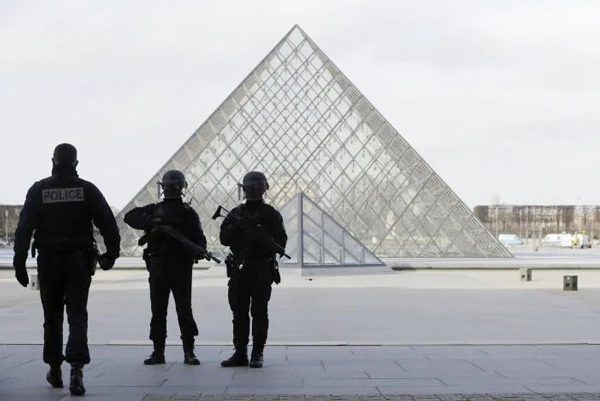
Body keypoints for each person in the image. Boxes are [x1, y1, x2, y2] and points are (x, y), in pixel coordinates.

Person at [12, 143, 121, 396]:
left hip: (48, 261)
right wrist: (111, 254)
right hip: (78, 262)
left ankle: (55, 368)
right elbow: (108, 224)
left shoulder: (39, 190)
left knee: (51, 317)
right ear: (76, 163)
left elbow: (24, 228)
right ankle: (77, 370)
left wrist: (19, 262)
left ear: (53, 161)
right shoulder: (87, 190)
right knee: (77, 315)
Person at [124, 170, 206, 366]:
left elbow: (199, 241)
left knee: (164, 310)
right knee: (178, 310)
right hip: (169, 267)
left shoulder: (163, 210)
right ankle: (184, 352)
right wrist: (155, 225)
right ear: (182, 187)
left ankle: (162, 352)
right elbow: (129, 217)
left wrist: (197, 249)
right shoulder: (176, 212)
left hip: (167, 266)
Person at [219, 171, 287, 368]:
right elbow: (224, 238)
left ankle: (257, 352)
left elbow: (280, 243)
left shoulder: (270, 214)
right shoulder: (236, 214)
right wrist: (239, 228)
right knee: (240, 312)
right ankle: (241, 352)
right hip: (241, 268)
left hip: (261, 267)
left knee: (258, 311)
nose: (254, 191)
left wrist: (261, 237)